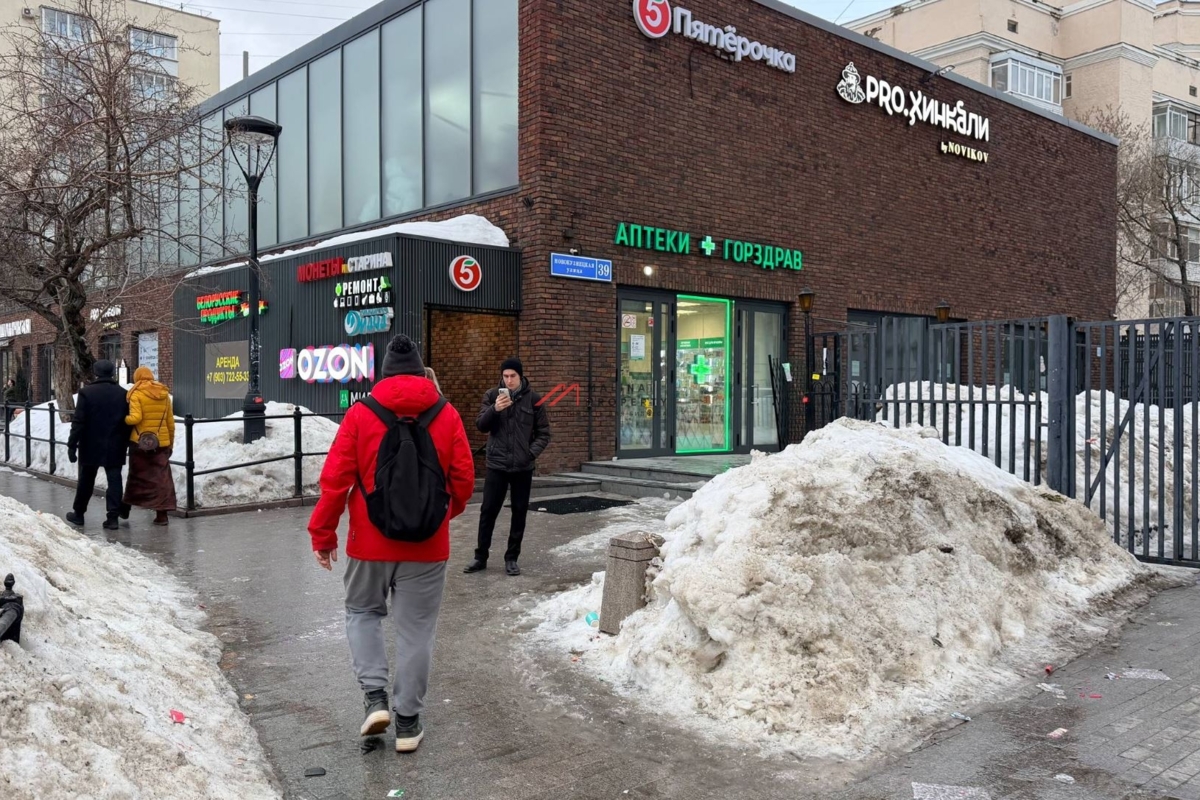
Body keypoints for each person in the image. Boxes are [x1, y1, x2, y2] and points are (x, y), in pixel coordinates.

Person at [308, 334, 474, 753]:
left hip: (369, 543)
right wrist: (437, 517)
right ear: (421, 372)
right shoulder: (446, 413)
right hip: (428, 548)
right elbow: (464, 482)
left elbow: (336, 480)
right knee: (416, 632)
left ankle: (375, 698)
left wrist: (323, 534)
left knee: (362, 611)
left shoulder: (362, 414)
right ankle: (408, 722)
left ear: (383, 375)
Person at [463, 357, 552, 577]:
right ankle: (480, 556)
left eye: (513, 376)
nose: (509, 380)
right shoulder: (492, 396)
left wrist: (529, 454)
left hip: (522, 467)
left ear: (520, 376)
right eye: (506, 376)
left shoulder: (534, 400)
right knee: (488, 512)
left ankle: (512, 558)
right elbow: (481, 426)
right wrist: (495, 409)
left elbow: (543, 433)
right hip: (497, 465)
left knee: (519, 512)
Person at [65, 359, 131, 531]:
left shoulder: (86, 393)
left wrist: (72, 444)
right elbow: (128, 422)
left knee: (86, 480)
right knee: (115, 480)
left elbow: (78, 421)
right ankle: (113, 517)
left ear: (96, 373)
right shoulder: (123, 393)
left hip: (90, 443)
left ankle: (79, 514)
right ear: (112, 373)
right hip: (115, 443)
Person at [123, 366, 177, 527]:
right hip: (161, 443)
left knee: (137, 477)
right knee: (162, 479)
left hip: (140, 443)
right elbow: (170, 423)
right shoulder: (163, 394)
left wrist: (123, 419)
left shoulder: (136, 393)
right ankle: (162, 515)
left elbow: (135, 418)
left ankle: (125, 507)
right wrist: (170, 444)